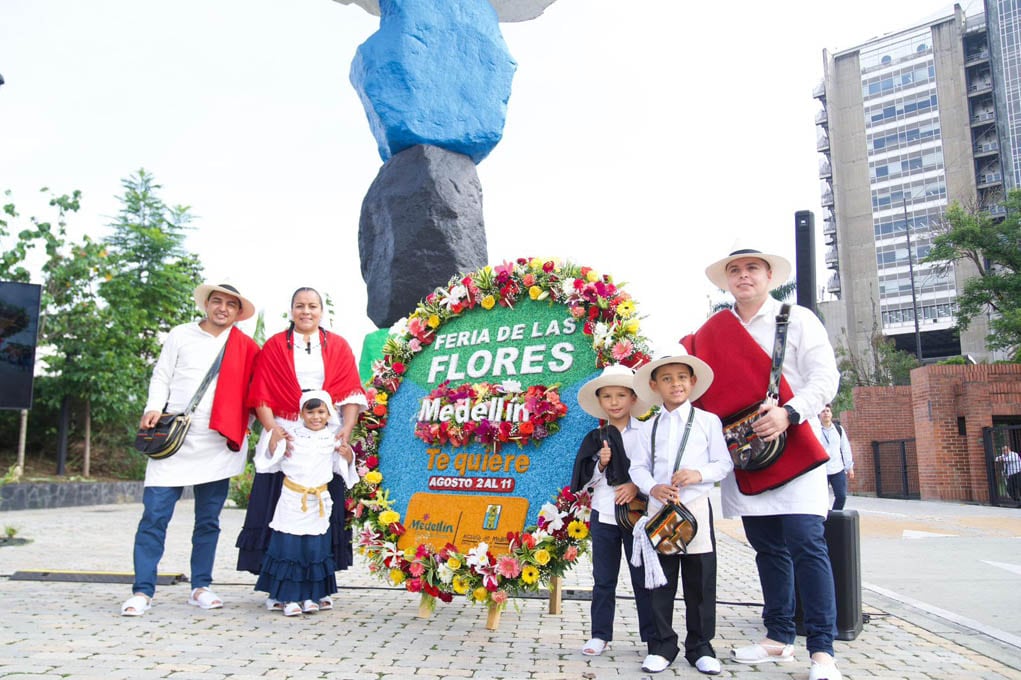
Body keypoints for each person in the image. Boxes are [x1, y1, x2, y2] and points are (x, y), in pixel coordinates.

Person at [680, 243, 842, 680]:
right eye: (735, 270)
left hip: (795, 449)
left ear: (769, 276)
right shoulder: (712, 331)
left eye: (753, 268)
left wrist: (789, 413)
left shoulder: (798, 318)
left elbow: (826, 377)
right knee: (768, 548)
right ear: (726, 280)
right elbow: (689, 382)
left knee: (807, 543)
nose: (743, 276)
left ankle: (823, 652)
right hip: (745, 455)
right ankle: (778, 638)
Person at [121, 282, 260, 617]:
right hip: (173, 438)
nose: (223, 308)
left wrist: (257, 430)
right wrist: (153, 406)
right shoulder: (180, 335)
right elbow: (162, 375)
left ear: (238, 312)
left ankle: (201, 586)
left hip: (218, 441)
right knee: (154, 516)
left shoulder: (246, 347)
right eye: (217, 301)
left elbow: (256, 393)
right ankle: (142, 591)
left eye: (230, 304)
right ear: (207, 305)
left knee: (208, 520)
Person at [236, 286, 367, 611]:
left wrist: (346, 431)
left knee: (324, 509)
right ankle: (279, 588)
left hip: (326, 435)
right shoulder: (275, 346)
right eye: (299, 306)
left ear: (321, 311)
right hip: (288, 435)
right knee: (278, 509)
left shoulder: (337, 346)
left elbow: (351, 393)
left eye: (312, 306)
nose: (306, 311)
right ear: (291, 310)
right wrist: (273, 430)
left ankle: (317, 584)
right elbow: (261, 394)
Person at [627, 352, 732, 676]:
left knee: (700, 581)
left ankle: (701, 647)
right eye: (668, 378)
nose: (676, 384)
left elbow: (724, 463)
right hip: (661, 511)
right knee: (660, 582)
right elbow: (638, 467)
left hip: (696, 508)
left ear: (693, 382)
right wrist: (652, 487)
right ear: (655, 385)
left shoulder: (707, 421)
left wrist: (697, 474)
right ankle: (662, 646)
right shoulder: (649, 427)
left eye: (682, 377)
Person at [568, 364, 655, 657]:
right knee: (604, 579)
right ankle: (600, 634)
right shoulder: (595, 437)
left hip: (637, 516)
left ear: (632, 398)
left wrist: (634, 485)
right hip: (603, 514)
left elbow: (655, 472)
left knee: (642, 577)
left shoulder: (646, 432)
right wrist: (601, 464)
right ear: (600, 402)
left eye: (620, 395)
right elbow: (584, 481)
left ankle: (652, 635)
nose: (614, 402)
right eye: (607, 396)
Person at [253, 390, 358, 616]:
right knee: (290, 547)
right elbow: (269, 461)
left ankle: (312, 594)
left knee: (314, 548)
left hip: (318, 503)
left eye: (321, 412)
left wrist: (347, 455)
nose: (316, 417)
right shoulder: (291, 435)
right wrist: (275, 444)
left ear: (329, 413)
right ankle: (287, 596)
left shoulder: (333, 438)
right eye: (310, 412)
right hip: (292, 501)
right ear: (302, 413)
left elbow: (344, 467)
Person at [818, 404, 854, 510]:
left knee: (841, 496)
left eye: (828, 411)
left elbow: (845, 448)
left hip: (837, 468)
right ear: (819, 415)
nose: (826, 413)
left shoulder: (839, 429)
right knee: (821, 498)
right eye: (823, 411)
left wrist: (849, 466)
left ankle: (835, 516)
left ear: (831, 414)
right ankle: (824, 518)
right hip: (821, 469)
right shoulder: (816, 430)